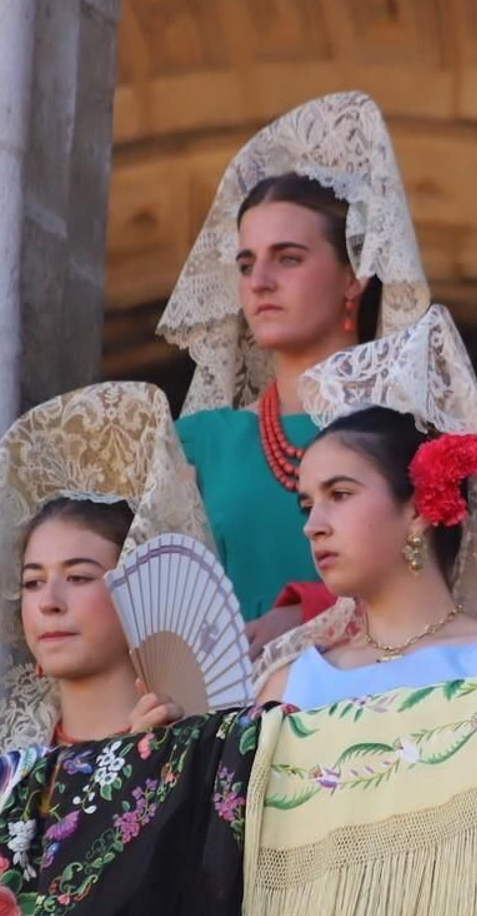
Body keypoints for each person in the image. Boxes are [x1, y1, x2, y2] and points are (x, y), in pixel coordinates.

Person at [157, 91, 430, 625]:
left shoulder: (414, 434)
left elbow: (454, 586)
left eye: (288, 258)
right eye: (245, 263)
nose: (259, 282)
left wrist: (311, 614)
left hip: (371, 696)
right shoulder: (200, 442)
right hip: (231, 704)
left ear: (354, 275)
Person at [252, 306, 477, 703]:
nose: (312, 525)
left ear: (417, 510)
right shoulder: (287, 687)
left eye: (340, 494)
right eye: (307, 505)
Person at [0, 383, 216, 750]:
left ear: (143, 592)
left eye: (78, 577)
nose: (49, 602)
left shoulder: (195, 753)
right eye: (32, 582)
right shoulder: (6, 779)